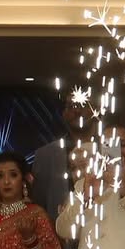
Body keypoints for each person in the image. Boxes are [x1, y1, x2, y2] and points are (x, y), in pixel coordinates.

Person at [30, 91, 91, 221]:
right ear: (64, 113)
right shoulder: (45, 155)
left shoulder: (108, 150)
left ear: (94, 109)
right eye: (72, 106)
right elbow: (39, 205)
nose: (77, 111)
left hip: (104, 228)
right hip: (58, 229)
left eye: (83, 105)